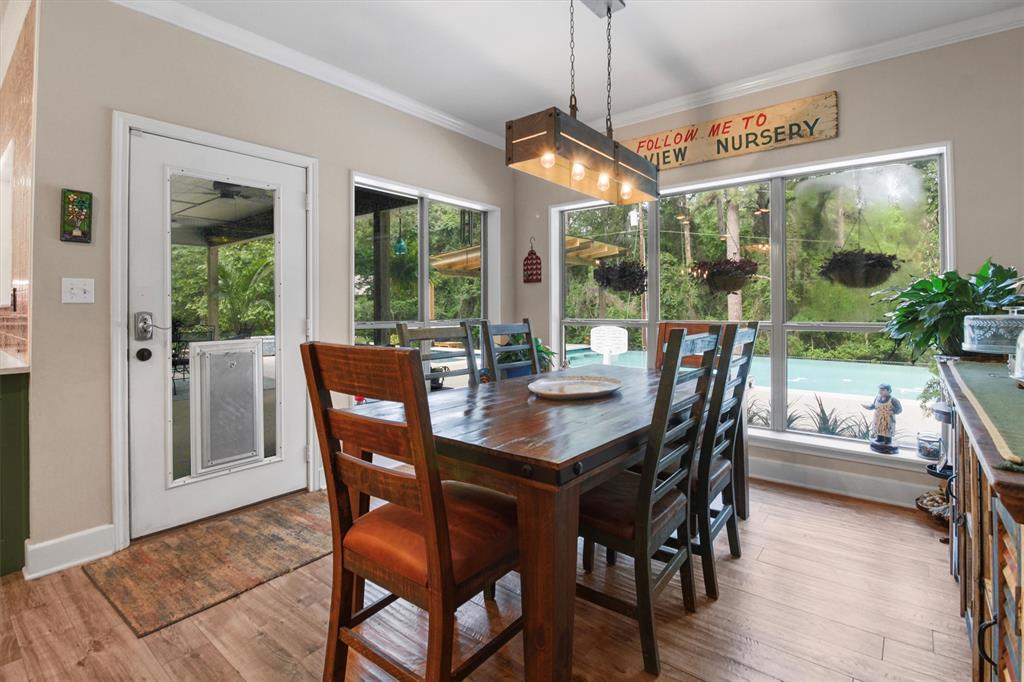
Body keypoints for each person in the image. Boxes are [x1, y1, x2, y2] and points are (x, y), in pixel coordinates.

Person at [863, 383, 903, 453]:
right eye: (880, 390)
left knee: (887, 429)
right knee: (879, 428)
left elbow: (899, 409)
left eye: (883, 390)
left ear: (889, 391)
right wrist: (869, 407)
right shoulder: (878, 397)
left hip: (888, 419)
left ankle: (888, 441)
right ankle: (879, 439)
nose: (880, 391)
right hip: (878, 417)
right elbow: (874, 405)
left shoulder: (893, 400)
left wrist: (893, 411)